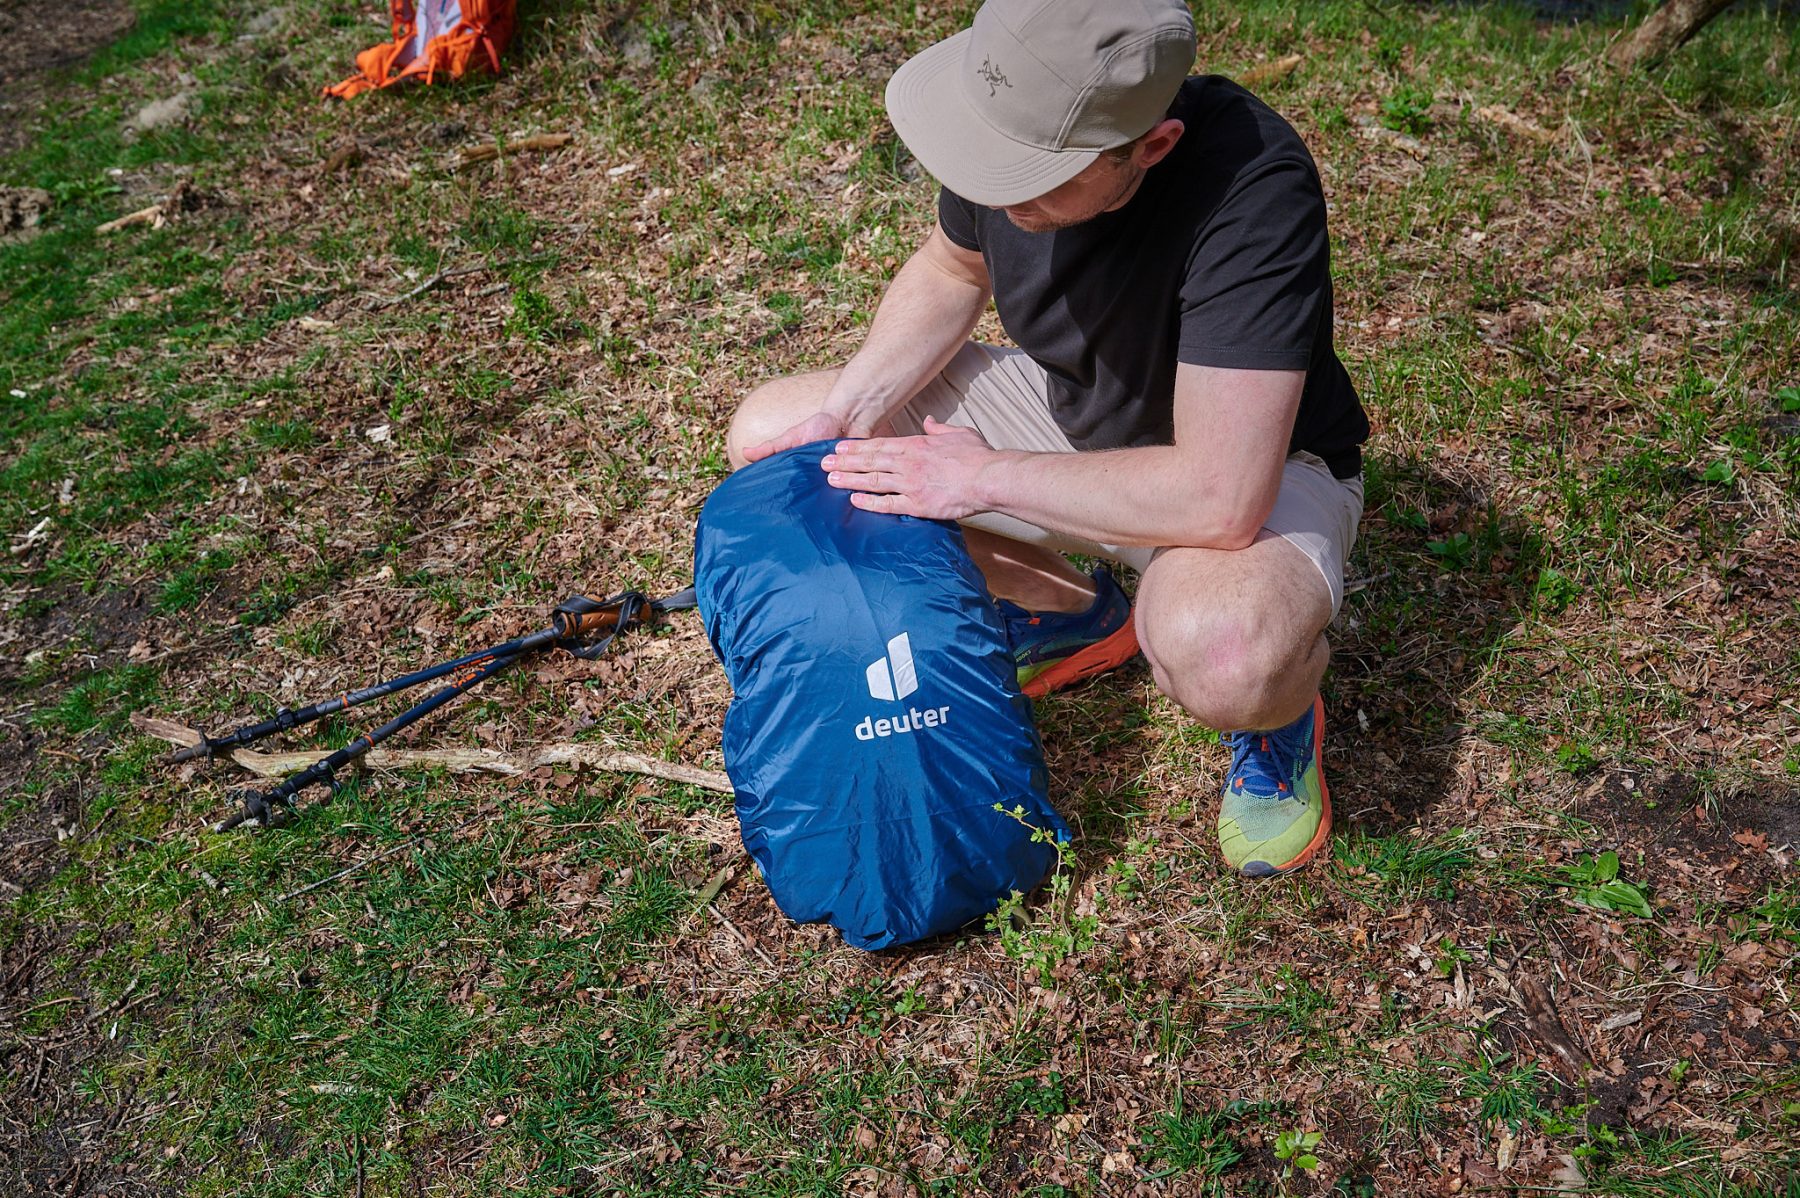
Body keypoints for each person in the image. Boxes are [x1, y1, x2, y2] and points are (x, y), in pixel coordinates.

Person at [724, 0, 1369, 878]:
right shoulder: (1012, 123)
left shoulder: (1254, 189)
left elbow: (1220, 499)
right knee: (780, 441)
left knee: (1226, 655)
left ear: (1153, 147)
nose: (1003, 193)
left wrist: (981, 477)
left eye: (1040, 177)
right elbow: (953, 268)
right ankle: (1078, 615)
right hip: (1069, 421)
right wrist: (846, 412)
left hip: (1241, 476)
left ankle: (1276, 720)